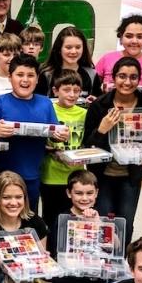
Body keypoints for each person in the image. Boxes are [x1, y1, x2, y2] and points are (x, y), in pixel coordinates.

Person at [83, 56, 142, 244]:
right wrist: (101, 129)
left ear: (140, 79)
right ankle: (103, 266)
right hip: (103, 175)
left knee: (126, 224)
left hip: (131, 176)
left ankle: (122, 265)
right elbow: (86, 147)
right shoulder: (99, 105)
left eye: (133, 77)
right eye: (122, 76)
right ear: (113, 78)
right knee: (104, 224)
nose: (127, 82)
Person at [0, 54, 64, 209]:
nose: (25, 80)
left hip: (33, 175)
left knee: (29, 217)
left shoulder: (45, 103)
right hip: (3, 176)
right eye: (19, 75)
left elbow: (54, 134)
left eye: (30, 75)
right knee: (2, 218)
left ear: (37, 78)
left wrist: (60, 135)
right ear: (10, 77)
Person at [52, 170, 107, 283]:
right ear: (69, 193)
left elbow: (114, 247)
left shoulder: (101, 216)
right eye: (79, 193)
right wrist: (83, 224)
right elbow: (60, 253)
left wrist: (98, 225)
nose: (85, 198)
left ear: (96, 193)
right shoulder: (62, 219)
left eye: (89, 193)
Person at [41, 69, 87, 235]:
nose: (72, 95)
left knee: (73, 222)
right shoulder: (48, 110)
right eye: (66, 90)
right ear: (55, 91)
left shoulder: (84, 113)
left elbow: (88, 143)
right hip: (51, 175)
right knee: (51, 220)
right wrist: (49, 150)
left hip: (76, 176)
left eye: (76, 91)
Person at [94, 15, 142, 90]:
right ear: (121, 37)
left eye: (140, 37)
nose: (134, 41)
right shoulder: (107, 59)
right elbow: (94, 88)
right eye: (129, 36)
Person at [36, 25, 100, 100]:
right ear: (59, 49)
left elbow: (99, 104)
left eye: (78, 47)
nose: (73, 51)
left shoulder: (92, 75)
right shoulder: (46, 74)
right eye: (68, 47)